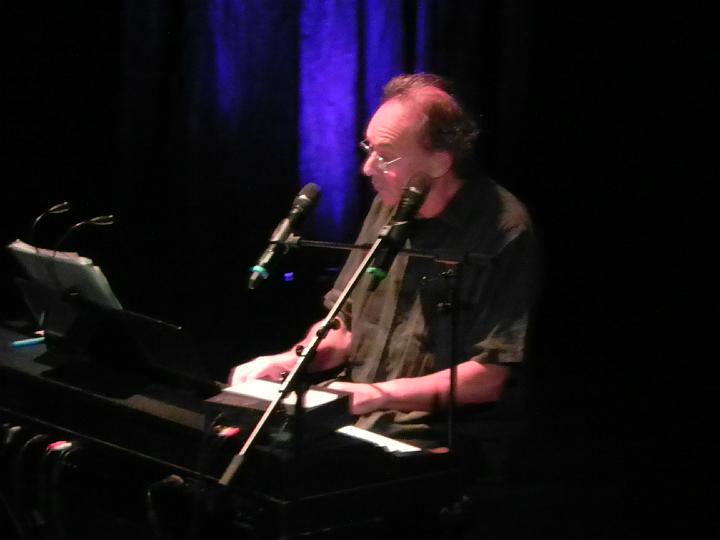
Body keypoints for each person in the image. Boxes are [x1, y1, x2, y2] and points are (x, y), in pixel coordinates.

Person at [229, 73, 539, 481]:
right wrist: (290, 361)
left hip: (441, 434)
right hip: (363, 417)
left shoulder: (504, 228)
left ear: (439, 161)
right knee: (236, 450)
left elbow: (489, 378)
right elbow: (343, 328)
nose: (367, 168)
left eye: (386, 156)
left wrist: (376, 395)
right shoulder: (388, 205)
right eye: (368, 149)